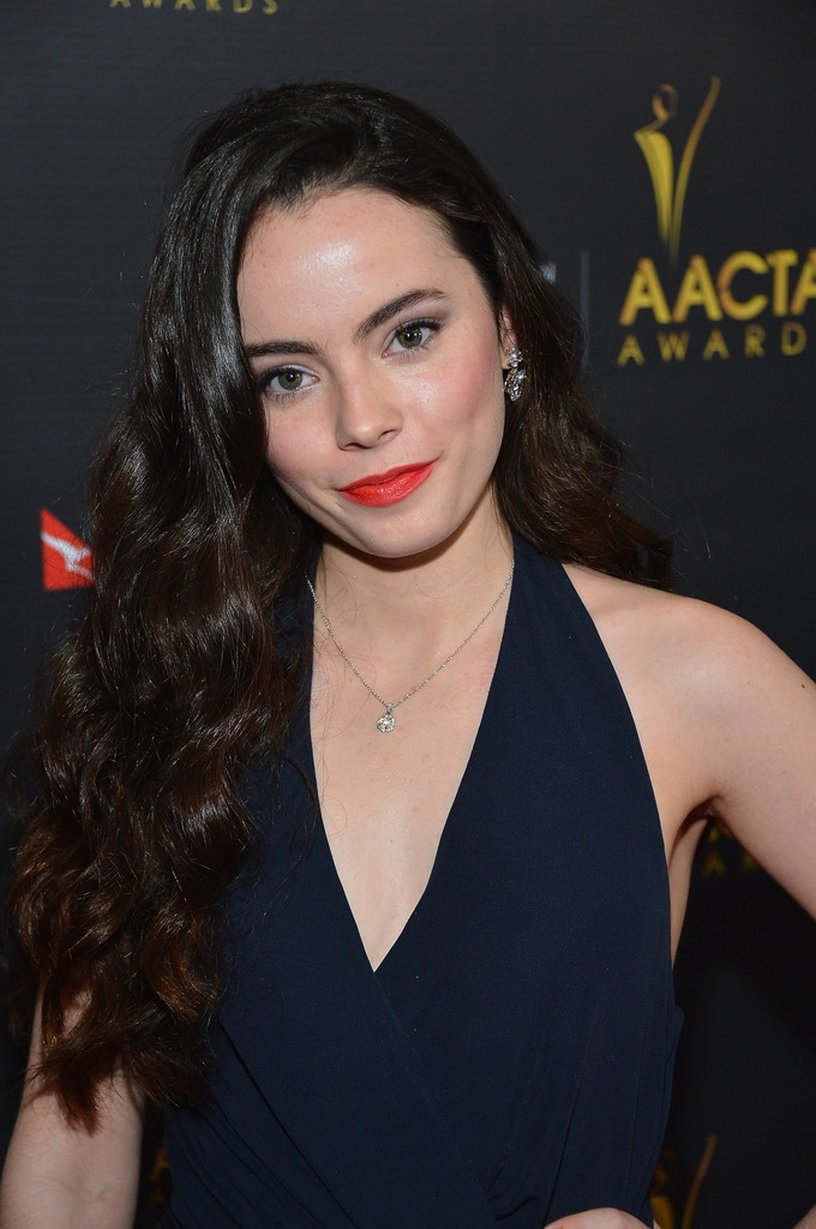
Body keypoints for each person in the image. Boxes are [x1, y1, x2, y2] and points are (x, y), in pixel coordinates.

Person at [1, 81, 814, 1229]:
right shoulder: (165, 693)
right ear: (232, 410)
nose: (363, 418)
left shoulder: (687, 678)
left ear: (509, 326)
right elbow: (73, 1162)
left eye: (410, 333)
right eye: (287, 373)